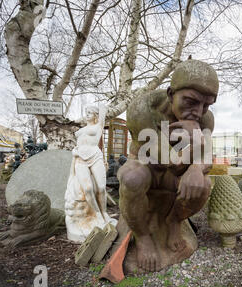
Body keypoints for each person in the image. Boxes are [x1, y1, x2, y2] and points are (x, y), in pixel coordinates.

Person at [118, 59, 218, 272]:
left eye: (206, 105)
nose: (199, 112)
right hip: (146, 165)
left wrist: (196, 168)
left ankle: (174, 222)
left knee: (204, 183)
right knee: (131, 177)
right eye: (191, 101)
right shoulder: (142, 108)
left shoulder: (206, 119)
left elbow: (207, 157)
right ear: (171, 94)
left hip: (174, 174)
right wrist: (197, 143)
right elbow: (168, 160)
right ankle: (143, 238)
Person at [64, 105, 116, 242]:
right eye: (86, 112)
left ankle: (104, 212)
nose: (87, 115)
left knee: (101, 187)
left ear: (95, 115)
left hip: (95, 157)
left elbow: (103, 115)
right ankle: (97, 214)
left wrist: (103, 110)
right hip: (80, 159)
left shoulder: (98, 126)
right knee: (87, 188)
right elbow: (76, 145)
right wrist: (73, 152)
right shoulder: (79, 131)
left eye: (90, 113)